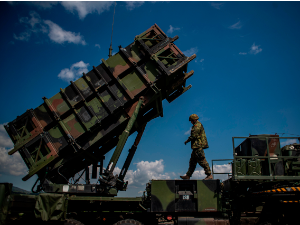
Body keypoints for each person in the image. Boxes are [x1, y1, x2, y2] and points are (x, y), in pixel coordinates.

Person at [180, 114, 213, 180]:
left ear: (194, 120)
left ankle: (209, 175)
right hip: (196, 147)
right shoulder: (196, 125)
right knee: (192, 162)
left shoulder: (197, 125)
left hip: (198, 146)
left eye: (191, 121)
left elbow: (194, 135)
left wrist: (187, 140)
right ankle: (188, 175)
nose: (191, 122)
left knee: (202, 161)